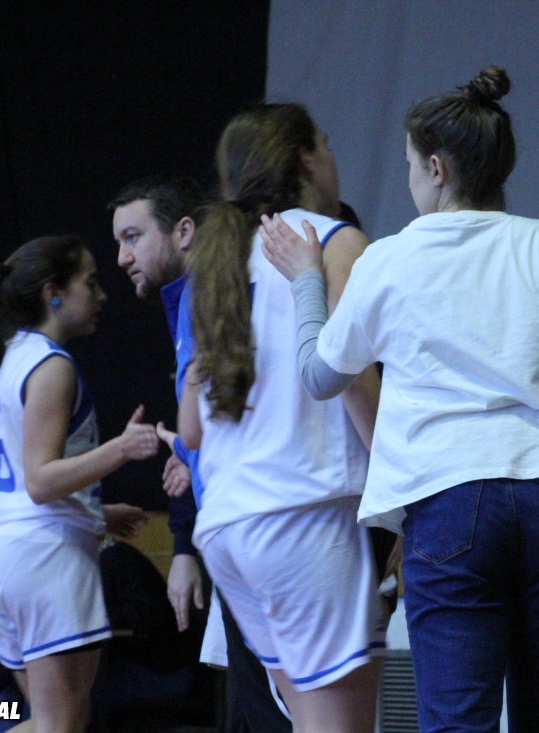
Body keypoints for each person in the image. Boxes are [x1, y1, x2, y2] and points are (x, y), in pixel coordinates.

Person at [259, 67, 539, 733]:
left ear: (436, 168)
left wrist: (307, 280)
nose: (408, 179)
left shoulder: (388, 259)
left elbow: (319, 376)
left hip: (450, 503)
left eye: (408, 166)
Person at [178, 102, 385, 733]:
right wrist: (407, 486)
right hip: (304, 515)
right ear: (304, 159)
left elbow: (190, 429)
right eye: (326, 143)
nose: (333, 158)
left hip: (229, 527)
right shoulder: (333, 240)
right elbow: (352, 384)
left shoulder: (216, 259)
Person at [110, 174, 297, 733]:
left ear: (185, 231)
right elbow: (206, 436)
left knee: (276, 712)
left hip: (260, 526)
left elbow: (203, 432)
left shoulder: (209, 296)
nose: (122, 258)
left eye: (133, 237)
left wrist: (186, 454)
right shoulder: (194, 299)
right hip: (246, 529)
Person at [0, 235, 157, 733]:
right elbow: (39, 480)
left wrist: (97, 513)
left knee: (55, 721)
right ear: (53, 293)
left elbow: (21, 483)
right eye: (90, 283)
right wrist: (121, 449)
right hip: (41, 562)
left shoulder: (7, 357)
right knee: (60, 724)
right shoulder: (51, 365)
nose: (102, 294)